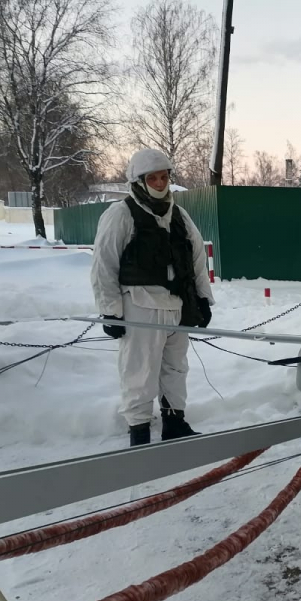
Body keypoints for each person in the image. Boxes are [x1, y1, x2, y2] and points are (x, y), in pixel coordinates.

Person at [90, 148, 214, 446]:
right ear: (139, 181)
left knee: (175, 367)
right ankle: (140, 432)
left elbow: (197, 259)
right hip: (140, 306)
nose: (160, 184)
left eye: (164, 177)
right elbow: (103, 265)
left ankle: (174, 422)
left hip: (177, 306)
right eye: (153, 178)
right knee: (140, 371)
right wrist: (110, 311)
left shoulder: (179, 216)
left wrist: (202, 299)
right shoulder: (120, 214)